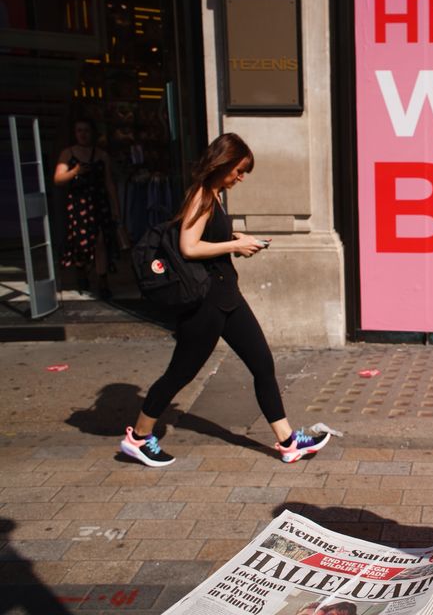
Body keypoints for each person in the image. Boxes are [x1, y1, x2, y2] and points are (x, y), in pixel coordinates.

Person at [120, 133, 329, 467]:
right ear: (224, 163)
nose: (241, 177)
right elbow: (189, 246)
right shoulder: (201, 196)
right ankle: (139, 438)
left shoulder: (214, 195)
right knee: (180, 374)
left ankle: (288, 442)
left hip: (227, 298)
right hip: (206, 304)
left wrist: (238, 238)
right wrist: (234, 246)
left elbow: (207, 236)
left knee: (262, 363)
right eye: (239, 170)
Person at [53, 118, 120, 298]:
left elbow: (109, 183)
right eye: (79, 130)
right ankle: (81, 274)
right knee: (80, 243)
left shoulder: (101, 155)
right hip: (78, 205)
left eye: (86, 130)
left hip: (99, 204)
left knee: (100, 243)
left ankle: (102, 281)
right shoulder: (68, 154)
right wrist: (74, 172)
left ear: (93, 133)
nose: (83, 134)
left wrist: (115, 208)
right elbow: (58, 179)